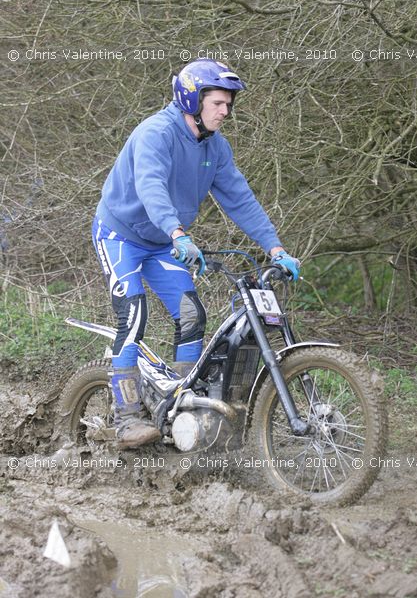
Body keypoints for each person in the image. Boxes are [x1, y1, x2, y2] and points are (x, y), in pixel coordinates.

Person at [92, 59, 300, 448]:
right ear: (192, 99)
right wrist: (177, 232)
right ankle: (126, 417)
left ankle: (184, 408)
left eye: (228, 104)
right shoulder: (156, 134)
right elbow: (151, 186)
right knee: (133, 318)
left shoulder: (215, 148)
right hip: (120, 235)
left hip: (164, 243)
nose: (226, 111)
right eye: (219, 103)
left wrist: (275, 247)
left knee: (192, 314)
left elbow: (240, 199)